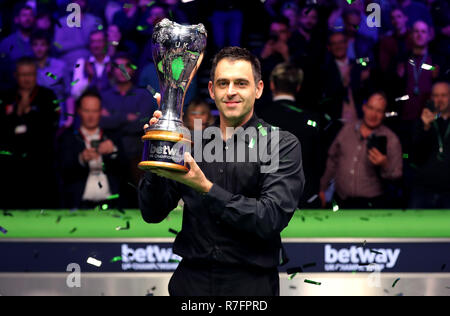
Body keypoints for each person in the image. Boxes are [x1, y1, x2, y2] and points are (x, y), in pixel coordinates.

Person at [139, 47, 304, 296]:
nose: (230, 92)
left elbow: (269, 219)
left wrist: (206, 188)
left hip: (251, 287)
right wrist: (159, 149)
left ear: (258, 89)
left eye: (241, 83)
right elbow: (152, 212)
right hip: (191, 284)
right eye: (223, 83)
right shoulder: (190, 143)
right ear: (211, 90)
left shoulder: (280, 144)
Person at [319, 93, 403, 209]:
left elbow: (397, 176)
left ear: (384, 114)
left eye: (379, 111)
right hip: (340, 202)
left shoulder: (391, 139)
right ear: (364, 108)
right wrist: (322, 188)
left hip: (371, 205)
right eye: (371, 108)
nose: (373, 114)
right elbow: (332, 161)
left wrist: (385, 164)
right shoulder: (347, 130)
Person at [258, 62, 321, 209]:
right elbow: (318, 162)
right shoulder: (311, 120)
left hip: (264, 200)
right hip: (303, 197)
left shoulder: (257, 117)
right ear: (298, 87)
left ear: (272, 85)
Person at [0, 57, 60, 209]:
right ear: (15, 75)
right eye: (23, 75)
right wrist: (17, 114)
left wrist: (29, 114)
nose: (27, 79)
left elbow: (51, 125)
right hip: (11, 164)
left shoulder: (48, 96)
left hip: (40, 161)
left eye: (30, 74)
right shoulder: (6, 97)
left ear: (36, 75)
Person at [100, 52, 158, 207]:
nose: (122, 70)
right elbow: (101, 121)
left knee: (138, 196)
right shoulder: (104, 95)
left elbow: (142, 123)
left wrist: (114, 118)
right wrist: (127, 118)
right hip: (110, 154)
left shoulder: (143, 95)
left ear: (132, 70)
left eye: (125, 66)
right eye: (118, 66)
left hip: (136, 153)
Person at [58, 89, 126, 209]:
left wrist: (113, 151)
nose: (91, 116)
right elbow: (61, 170)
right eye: (86, 111)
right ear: (79, 111)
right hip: (79, 205)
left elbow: (125, 171)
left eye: (95, 111)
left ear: (101, 111)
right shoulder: (68, 138)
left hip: (111, 205)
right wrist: (81, 159)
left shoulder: (112, 136)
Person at [409, 82, 450, 208]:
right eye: (436, 95)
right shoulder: (422, 121)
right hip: (423, 189)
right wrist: (425, 127)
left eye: (444, 95)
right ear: (431, 98)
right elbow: (413, 157)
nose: (439, 99)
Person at [31, 30, 71, 127]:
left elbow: (69, 94)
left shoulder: (61, 66)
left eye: (42, 45)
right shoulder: (28, 68)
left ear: (48, 46)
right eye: (35, 45)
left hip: (57, 118)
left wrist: (70, 119)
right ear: (31, 47)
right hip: (33, 118)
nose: (39, 48)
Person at [71, 30, 113, 99]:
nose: (96, 45)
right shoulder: (81, 63)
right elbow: (75, 93)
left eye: (99, 41)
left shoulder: (114, 62)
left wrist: (111, 77)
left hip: (110, 106)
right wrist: (89, 79)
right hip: (89, 106)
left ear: (106, 43)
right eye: (93, 42)